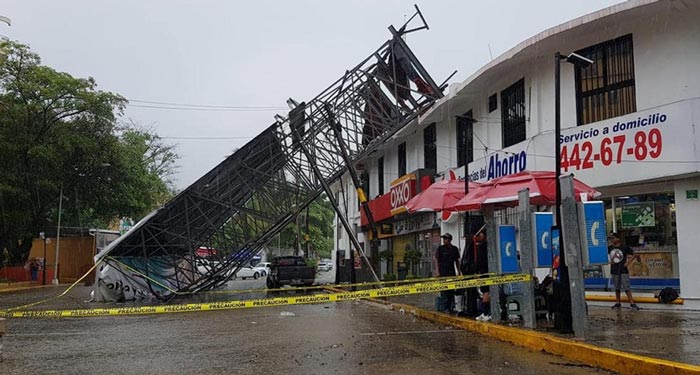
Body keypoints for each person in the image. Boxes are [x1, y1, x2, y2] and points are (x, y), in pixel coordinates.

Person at [608, 232, 640, 310]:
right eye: (611, 238)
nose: (612, 240)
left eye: (613, 238)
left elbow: (635, 254)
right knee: (617, 287)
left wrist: (628, 262)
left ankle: (632, 303)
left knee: (626, 287)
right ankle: (618, 302)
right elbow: (604, 256)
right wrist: (609, 261)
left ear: (618, 239)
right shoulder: (610, 248)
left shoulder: (624, 247)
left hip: (623, 269)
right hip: (614, 269)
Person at [435, 232, 461, 313]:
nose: (444, 240)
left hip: (451, 272)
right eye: (443, 239)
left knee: (451, 291)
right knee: (444, 291)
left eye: (445, 239)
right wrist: (437, 272)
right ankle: (445, 307)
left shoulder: (454, 249)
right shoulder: (440, 249)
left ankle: (451, 307)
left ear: (449, 240)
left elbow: (457, 261)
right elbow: (436, 260)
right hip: (443, 273)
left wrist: (459, 271)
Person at [472, 231, 491, 321]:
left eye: (481, 234)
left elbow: (479, 259)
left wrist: (476, 271)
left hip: (484, 272)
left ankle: (486, 313)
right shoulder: (491, 245)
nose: (479, 236)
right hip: (491, 271)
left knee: (485, 292)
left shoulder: (482, 246)